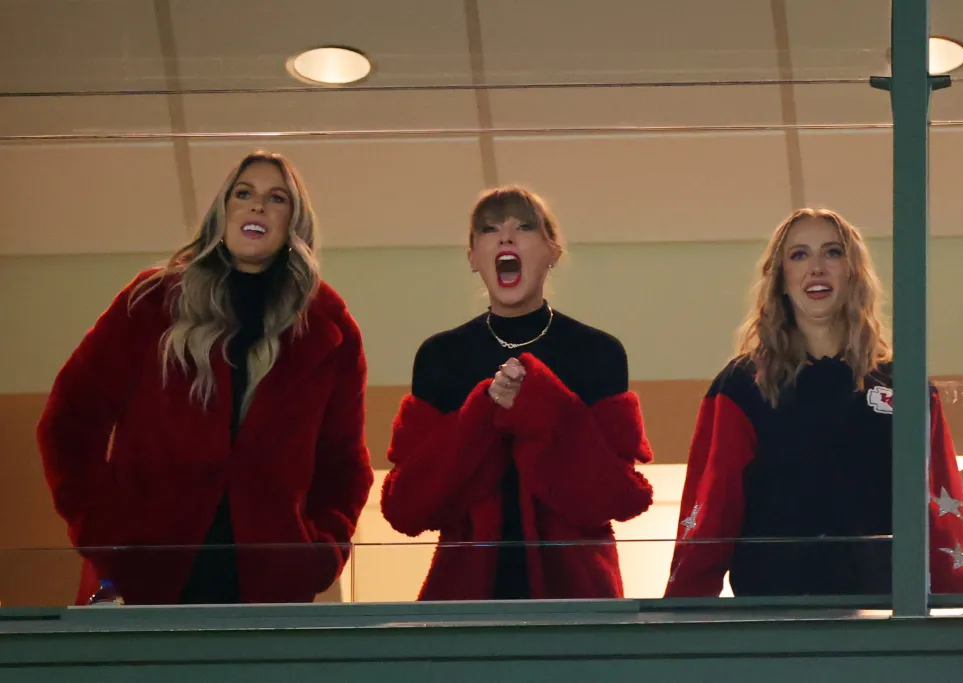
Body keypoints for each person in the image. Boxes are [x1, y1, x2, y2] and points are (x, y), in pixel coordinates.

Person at [37, 150, 373, 605]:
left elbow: (344, 465)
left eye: (277, 199)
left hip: (267, 591)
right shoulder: (152, 302)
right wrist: (107, 539)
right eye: (243, 193)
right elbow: (68, 422)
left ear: (294, 223)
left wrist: (317, 552)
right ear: (223, 212)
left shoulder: (330, 331)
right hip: (145, 581)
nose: (257, 206)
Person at [663, 208, 963, 598]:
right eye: (799, 255)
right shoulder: (743, 386)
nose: (816, 268)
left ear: (853, 273)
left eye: (832, 253)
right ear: (780, 278)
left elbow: (941, 514)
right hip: (777, 624)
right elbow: (709, 517)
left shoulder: (906, 386)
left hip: (887, 617)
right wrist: (681, 620)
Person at [380, 186, 654, 601]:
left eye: (523, 226)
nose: (506, 237)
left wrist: (541, 403)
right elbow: (407, 507)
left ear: (552, 251)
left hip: (578, 611)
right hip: (465, 612)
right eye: (489, 229)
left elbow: (616, 497)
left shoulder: (598, 353)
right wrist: (483, 411)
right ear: (473, 257)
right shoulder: (440, 356)